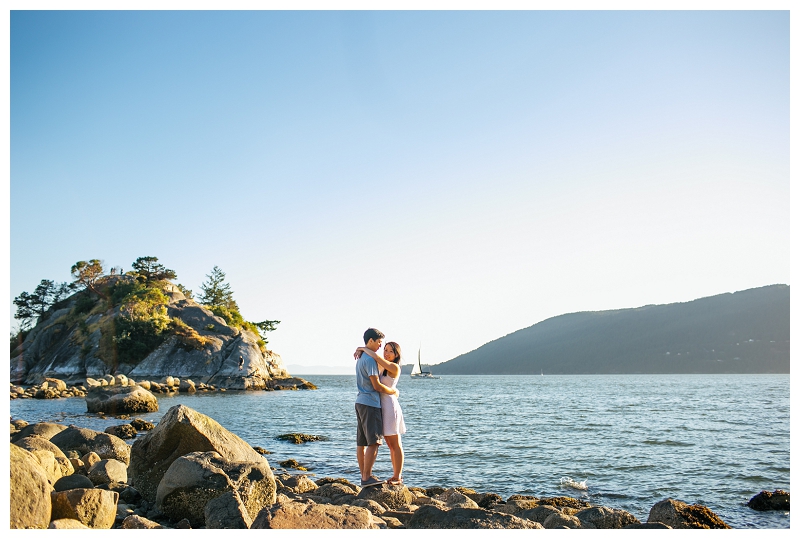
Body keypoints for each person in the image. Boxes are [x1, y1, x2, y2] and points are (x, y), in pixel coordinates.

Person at [355, 341, 406, 485]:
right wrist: (362, 350)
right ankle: (393, 476)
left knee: (395, 443)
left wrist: (362, 349)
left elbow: (376, 358)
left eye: (390, 351)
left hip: (390, 407)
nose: (386, 353)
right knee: (389, 443)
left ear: (396, 355)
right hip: (379, 407)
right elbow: (372, 362)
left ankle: (398, 476)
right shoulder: (381, 367)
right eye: (385, 349)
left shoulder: (394, 367)